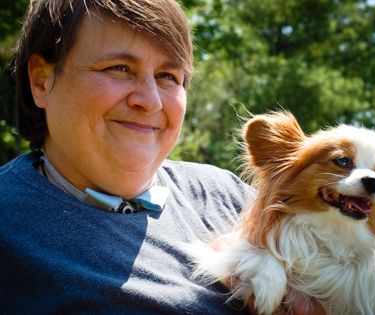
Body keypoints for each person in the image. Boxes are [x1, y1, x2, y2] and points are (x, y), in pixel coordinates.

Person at [0, 0, 324, 314]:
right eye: (119, 68)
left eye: (168, 76)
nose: (151, 101)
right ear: (41, 81)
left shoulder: (232, 200)